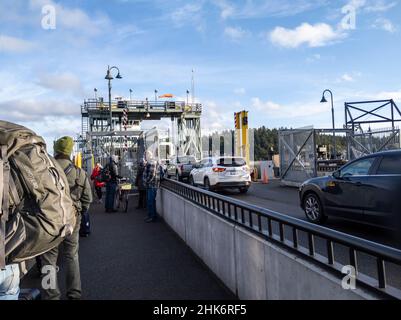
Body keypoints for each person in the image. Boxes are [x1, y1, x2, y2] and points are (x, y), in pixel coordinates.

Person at [40, 136, 92, 300]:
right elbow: (87, 199)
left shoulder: (45, 171)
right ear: (70, 152)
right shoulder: (80, 173)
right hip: (72, 219)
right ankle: (74, 293)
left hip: (49, 220)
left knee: (48, 258)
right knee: (71, 256)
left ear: (55, 150)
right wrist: (78, 213)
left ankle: (50, 295)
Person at [143, 152, 160, 223]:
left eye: (146, 155)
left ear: (149, 155)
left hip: (152, 185)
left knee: (151, 201)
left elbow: (151, 175)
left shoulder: (152, 162)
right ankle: (150, 215)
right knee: (150, 201)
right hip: (151, 185)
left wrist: (146, 181)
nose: (145, 157)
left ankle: (152, 217)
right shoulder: (150, 162)